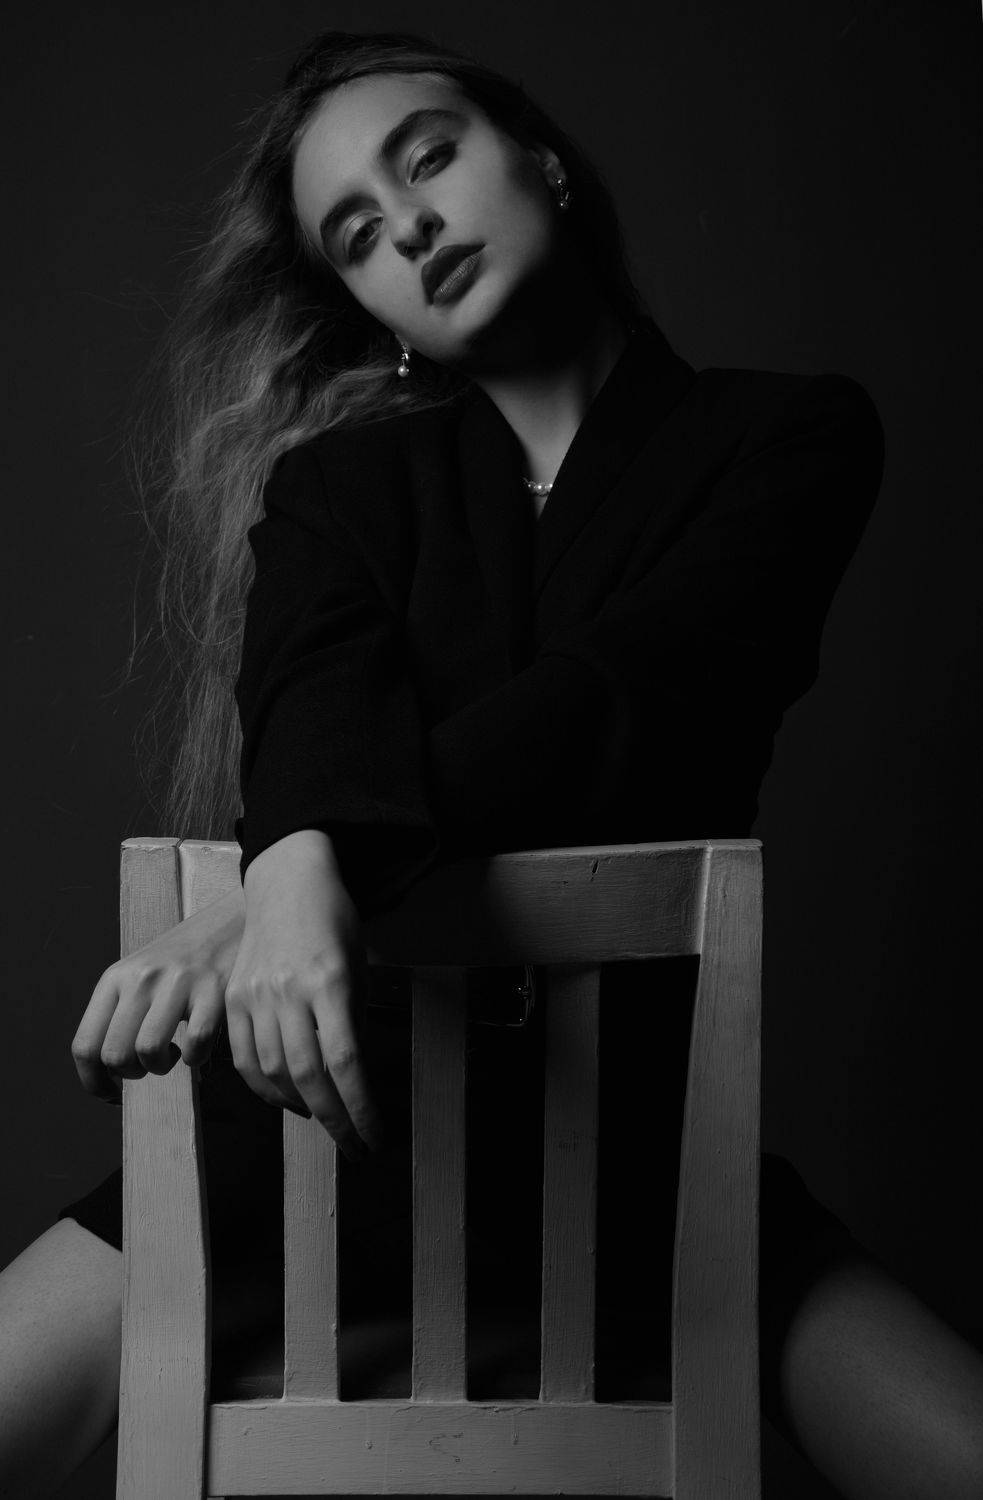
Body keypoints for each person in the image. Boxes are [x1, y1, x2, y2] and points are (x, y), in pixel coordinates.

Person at [2, 27, 981, 1500]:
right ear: (367, 306)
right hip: (302, 1162)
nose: (406, 226)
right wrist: (290, 862)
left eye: (430, 157)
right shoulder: (336, 488)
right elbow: (311, 706)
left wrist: (278, 885)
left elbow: (634, 702)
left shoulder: (787, 438)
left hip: (646, 1179)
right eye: (355, 234)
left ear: (543, 161)